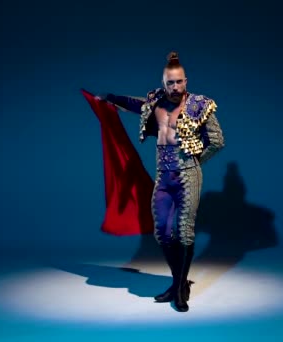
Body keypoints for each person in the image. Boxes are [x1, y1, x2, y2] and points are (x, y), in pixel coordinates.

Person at [91, 51, 225, 312]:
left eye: (180, 82)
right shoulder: (155, 103)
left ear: (186, 80)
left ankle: (179, 290)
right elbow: (135, 104)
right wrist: (110, 99)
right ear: (164, 83)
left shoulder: (201, 104)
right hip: (163, 177)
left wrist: (197, 158)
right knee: (162, 232)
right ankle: (179, 284)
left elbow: (217, 140)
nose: (176, 87)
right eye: (170, 83)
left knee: (184, 230)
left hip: (188, 174)